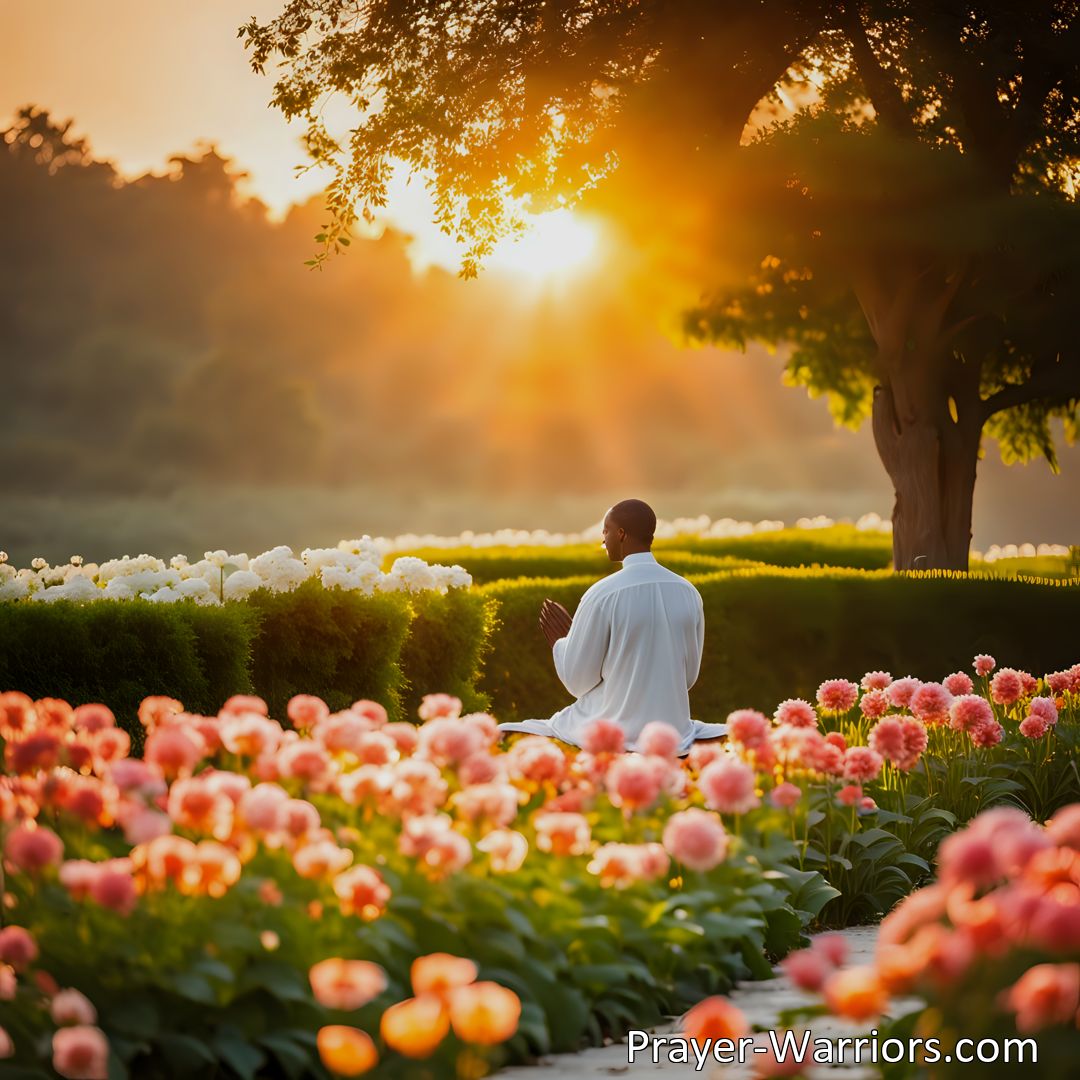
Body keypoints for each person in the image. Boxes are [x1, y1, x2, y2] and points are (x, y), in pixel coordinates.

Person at [496, 499, 727, 754]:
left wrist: (563, 643)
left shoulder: (603, 594)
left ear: (621, 534)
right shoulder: (688, 592)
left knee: (509, 729)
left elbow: (577, 681)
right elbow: (688, 677)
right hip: (671, 729)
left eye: (605, 531)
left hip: (613, 727)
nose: (603, 539)